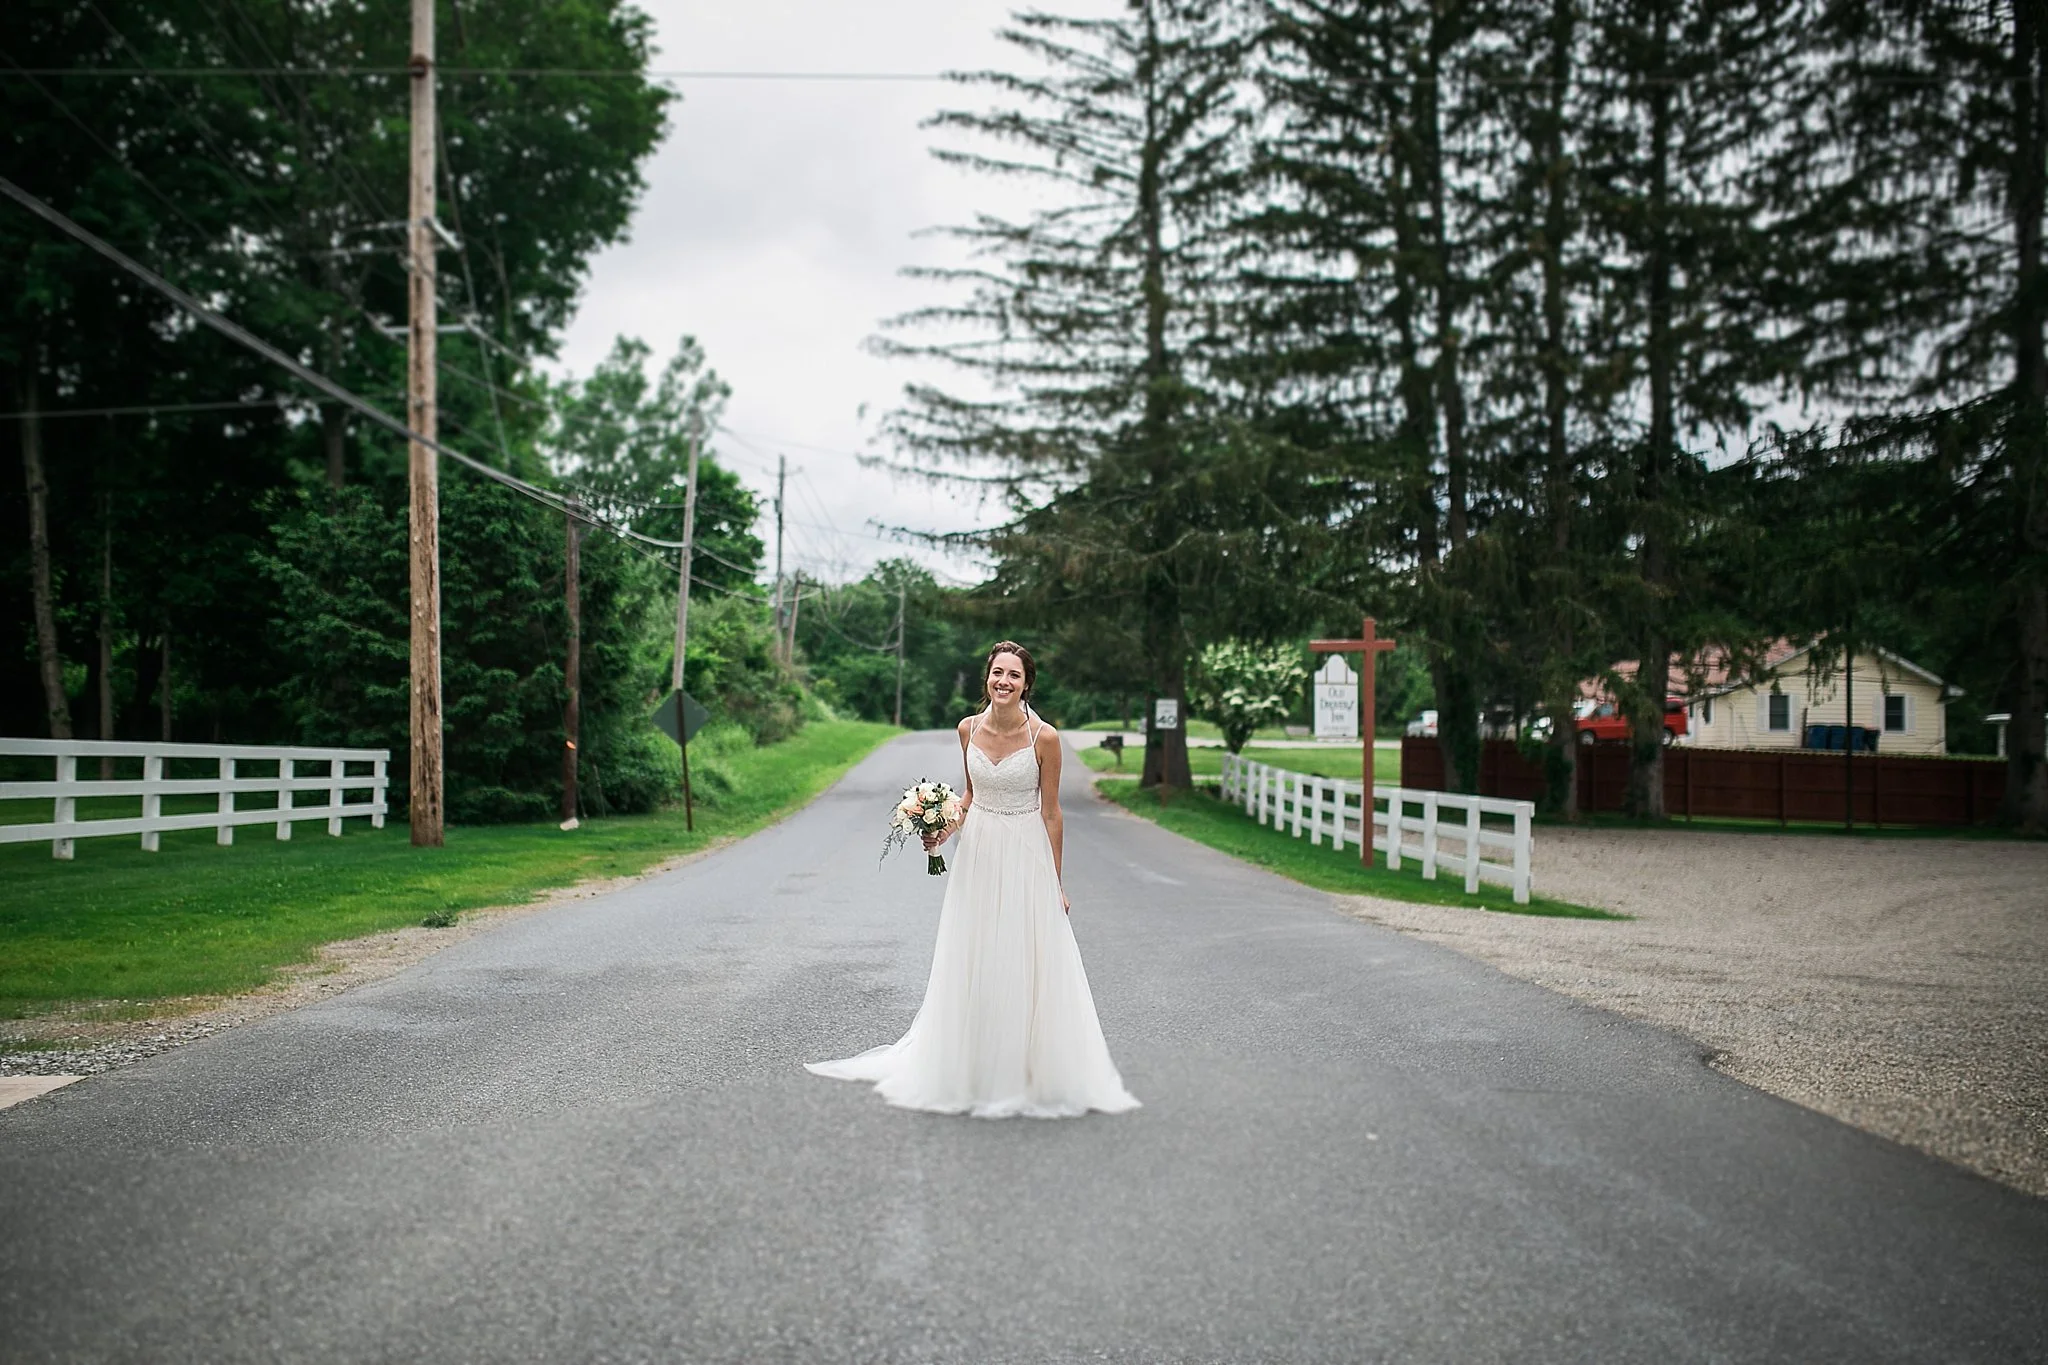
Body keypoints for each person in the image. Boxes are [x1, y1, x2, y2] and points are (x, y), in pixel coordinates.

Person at [805, 640, 1140, 1119]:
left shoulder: (1044, 738)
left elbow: (1052, 813)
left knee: (1024, 957)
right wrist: (940, 830)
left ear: (1027, 684)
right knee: (978, 953)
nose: (1003, 682)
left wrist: (1056, 882)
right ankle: (975, 1066)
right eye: (997, 673)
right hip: (978, 852)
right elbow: (969, 795)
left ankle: (1025, 1069)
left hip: (1026, 852)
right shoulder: (967, 730)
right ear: (987, 677)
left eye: (1014, 676)